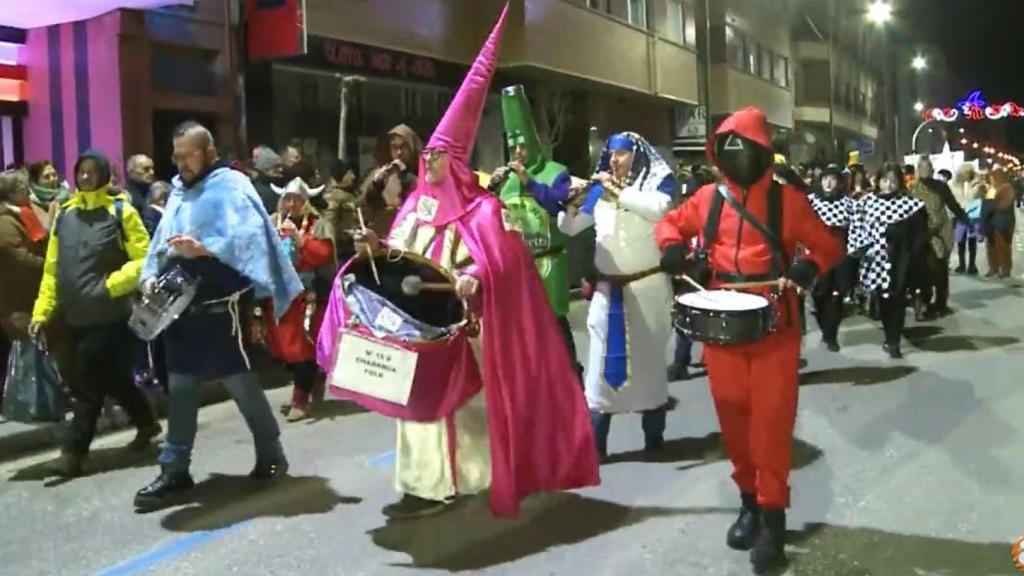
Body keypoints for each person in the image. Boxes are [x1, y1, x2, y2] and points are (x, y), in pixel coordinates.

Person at [318, 6, 599, 519]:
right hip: (417, 330)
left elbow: (501, 268)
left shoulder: (484, 211)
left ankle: (470, 477)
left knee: (464, 412)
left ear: (457, 163)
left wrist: (473, 278)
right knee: (415, 410)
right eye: (428, 162)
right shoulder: (412, 209)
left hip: (467, 334)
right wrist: (371, 249)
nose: (431, 169)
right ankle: (424, 484)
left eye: (439, 161)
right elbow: (399, 258)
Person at [655, 107, 844, 574]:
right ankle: (748, 501)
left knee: (772, 425)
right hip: (721, 324)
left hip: (775, 326)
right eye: (728, 152)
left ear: (762, 153)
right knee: (734, 418)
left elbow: (829, 245)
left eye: (744, 151)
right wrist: (676, 252)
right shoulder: (706, 198)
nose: (736, 161)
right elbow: (669, 225)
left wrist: (806, 268)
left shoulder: (788, 202)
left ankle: (773, 518)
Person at [133, 122, 303, 511]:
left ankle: (271, 451)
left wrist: (205, 250)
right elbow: (160, 245)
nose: (181, 163)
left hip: (219, 306)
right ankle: (175, 469)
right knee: (181, 389)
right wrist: (148, 278)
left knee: (240, 383)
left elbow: (250, 240)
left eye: (188, 154)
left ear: (208, 152)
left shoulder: (232, 186)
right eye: (176, 156)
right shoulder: (177, 192)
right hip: (178, 310)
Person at [30, 150, 160, 477]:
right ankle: (146, 422)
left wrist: (111, 285)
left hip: (108, 315)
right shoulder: (65, 215)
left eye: (92, 171)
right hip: (73, 315)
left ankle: (73, 452)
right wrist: (41, 312)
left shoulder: (120, 212)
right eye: (81, 171)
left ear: (104, 174)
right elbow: (52, 270)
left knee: (86, 384)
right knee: (113, 377)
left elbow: (145, 259)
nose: (86, 177)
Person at [559, 130, 676, 461]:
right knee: (598, 374)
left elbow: (661, 210)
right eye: (611, 153)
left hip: (647, 291)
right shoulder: (600, 191)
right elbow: (571, 227)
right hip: (608, 293)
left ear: (636, 156)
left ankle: (654, 440)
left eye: (621, 153)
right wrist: (567, 205)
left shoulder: (656, 185)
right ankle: (597, 447)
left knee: (650, 368)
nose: (614, 159)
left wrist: (618, 192)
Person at [490, 84, 580, 380]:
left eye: (523, 144)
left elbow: (559, 204)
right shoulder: (507, 181)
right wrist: (490, 191)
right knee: (523, 334)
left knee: (556, 328)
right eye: (512, 145)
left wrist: (529, 182)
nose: (517, 151)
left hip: (548, 262)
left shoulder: (555, 171)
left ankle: (571, 382)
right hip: (518, 268)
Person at [266, 177, 335, 422]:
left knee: (303, 347)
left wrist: (300, 239)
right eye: (288, 199)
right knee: (283, 348)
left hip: (308, 295)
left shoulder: (317, 224)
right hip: (279, 295)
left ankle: (300, 398)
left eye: (297, 199)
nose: (292, 204)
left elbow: (324, 255)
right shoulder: (273, 223)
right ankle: (312, 380)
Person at [848, 163, 929, 359]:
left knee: (898, 299)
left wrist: (914, 258)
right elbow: (857, 230)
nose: (889, 185)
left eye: (893, 181)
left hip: (902, 260)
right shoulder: (865, 203)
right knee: (884, 300)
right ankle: (889, 336)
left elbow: (920, 236)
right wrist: (861, 250)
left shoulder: (912, 205)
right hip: (875, 260)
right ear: (878, 182)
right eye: (885, 180)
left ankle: (894, 342)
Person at [0, 169, 50, 410]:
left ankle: (38, 403)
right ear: (13, 192)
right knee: (24, 352)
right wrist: (50, 266)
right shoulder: (4, 222)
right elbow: (20, 259)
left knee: (33, 351)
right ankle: (25, 405)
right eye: (24, 189)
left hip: (27, 296)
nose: (28, 193)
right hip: (14, 299)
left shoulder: (22, 215)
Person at [908, 158, 968, 317]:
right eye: (921, 168)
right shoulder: (912, 189)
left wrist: (964, 218)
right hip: (921, 233)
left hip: (940, 232)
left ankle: (941, 302)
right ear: (917, 170)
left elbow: (952, 204)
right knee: (924, 268)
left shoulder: (941, 187)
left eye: (927, 167)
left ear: (932, 170)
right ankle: (924, 299)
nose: (924, 170)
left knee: (940, 268)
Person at [808, 165, 855, 351]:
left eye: (833, 179)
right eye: (825, 178)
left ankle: (832, 335)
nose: (828, 182)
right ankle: (824, 326)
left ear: (839, 183)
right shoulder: (810, 201)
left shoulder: (848, 203)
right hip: (817, 252)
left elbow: (855, 228)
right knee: (820, 293)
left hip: (840, 252)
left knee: (837, 294)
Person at [359, 124, 423, 238]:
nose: (398, 153)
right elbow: (364, 206)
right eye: (394, 147)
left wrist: (406, 178)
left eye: (403, 147)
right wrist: (376, 186)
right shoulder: (382, 174)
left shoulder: (425, 175)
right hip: (384, 237)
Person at [322, 158, 360, 264]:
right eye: (349, 173)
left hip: (352, 244)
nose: (353, 177)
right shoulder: (334, 196)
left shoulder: (349, 194)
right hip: (342, 247)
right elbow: (329, 222)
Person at [950, 163, 985, 275]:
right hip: (959, 215)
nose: (966, 175)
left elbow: (982, 198)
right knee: (960, 241)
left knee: (972, 242)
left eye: (969, 173)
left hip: (973, 216)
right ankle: (962, 264)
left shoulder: (977, 184)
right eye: (965, 173)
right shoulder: (953, 184)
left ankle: (972, 265)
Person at [983, 167, 1016, 278]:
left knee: (1003, 246)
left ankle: (1005, 269)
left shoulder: (1006, 188)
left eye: (993, 177)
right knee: (991, 246)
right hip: (991, 222)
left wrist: (992, 205)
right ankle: (993, 268)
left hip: (1003, 223)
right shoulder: (992, 189)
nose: (991, 179)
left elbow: (1004, 206)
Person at [26, 160, 69, 230]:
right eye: (46, 177)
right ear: (36, 181)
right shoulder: (30, 205)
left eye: (54, 175)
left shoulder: (68, 198)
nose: (52, 179)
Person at [251, 146, 285, 215]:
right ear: (266, 169)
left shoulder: (280, 185)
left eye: (281, 166)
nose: (281, 169)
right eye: (276, 166)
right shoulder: (263, 192)